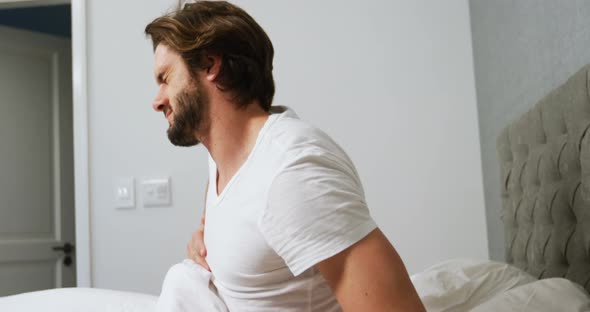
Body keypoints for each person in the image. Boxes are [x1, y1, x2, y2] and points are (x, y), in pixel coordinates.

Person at [145, 1, 426, 311]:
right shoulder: (223, 158)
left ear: (211, 64)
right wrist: (202, 242)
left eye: (165, 78)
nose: (157, 102)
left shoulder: (292, 171)